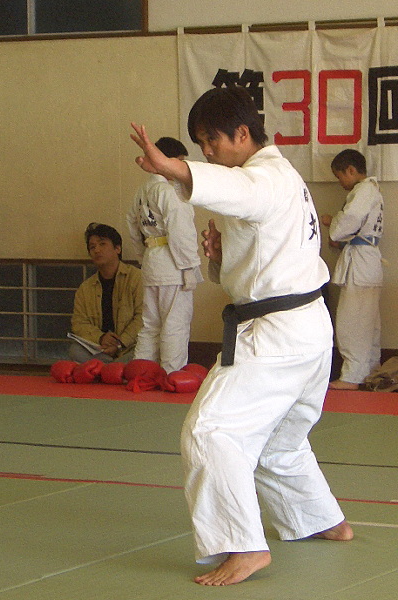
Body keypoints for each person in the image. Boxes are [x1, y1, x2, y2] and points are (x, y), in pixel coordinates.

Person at [130, 86, 352, 586]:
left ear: (243, 133)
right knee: (280, 443)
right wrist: (220, 255)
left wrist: (175, 169)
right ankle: (323, 521)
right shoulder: (279, 177)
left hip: (274, 334)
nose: (206, 153)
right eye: (199, 145)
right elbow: (256, 263)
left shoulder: (263, 178)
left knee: (210, 432)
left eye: (211, 141)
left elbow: (242, 195)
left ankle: (244, 546)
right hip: (307, 329)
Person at [126, 137, 203, 373]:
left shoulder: (141, 191)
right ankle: (172, 375)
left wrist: (143, 257)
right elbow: (181, 232)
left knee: (150, 325)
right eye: (178, 163)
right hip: (173, 265)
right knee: (174, 324)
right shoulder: (167, 192)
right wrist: (189, 267)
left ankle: (141, 374)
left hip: (151, 261)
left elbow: (132, 228)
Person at [319, 149, 383, 390]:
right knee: (367, 322)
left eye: (340, 176)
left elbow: (348, 221)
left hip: (362, 263)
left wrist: (332, 224)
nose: (340, 182)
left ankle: (353, 375)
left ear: (351, 170)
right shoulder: (370, 191)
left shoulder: (364, 190)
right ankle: (369, 370)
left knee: (351, 320)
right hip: (367, 260)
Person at [69, 222, 144, 363]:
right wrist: (101, 338)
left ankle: (104, 370)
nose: (97, 250)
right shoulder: (85, 288)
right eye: (92, 247)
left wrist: (120, 343)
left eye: (102, 244)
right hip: (100, 348)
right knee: (75, 350)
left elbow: (143, 317)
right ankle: (113, 370)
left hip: (128, 346)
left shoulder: (136, 278)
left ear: (117, 248)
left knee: (145, 351)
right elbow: (78, 323)